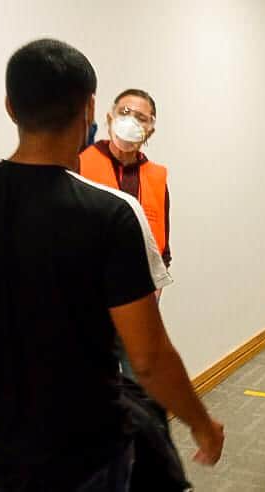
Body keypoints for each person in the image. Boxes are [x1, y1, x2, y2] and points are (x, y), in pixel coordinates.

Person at [0, 39, 223, 491]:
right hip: (85, 448)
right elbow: (147, 359)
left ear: (10, 107)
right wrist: (202, 423)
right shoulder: (109, 215)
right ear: (91, 108)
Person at [80, 89, 171, 381]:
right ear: (110, 117)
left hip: (139, 303)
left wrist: (155, 291)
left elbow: (162, 243)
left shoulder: (155, 177)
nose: (131, 122)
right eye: (125, 113)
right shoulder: (80, 163)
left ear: (150, 130)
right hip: (89, 304)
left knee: (142, 386)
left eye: (141, 118)